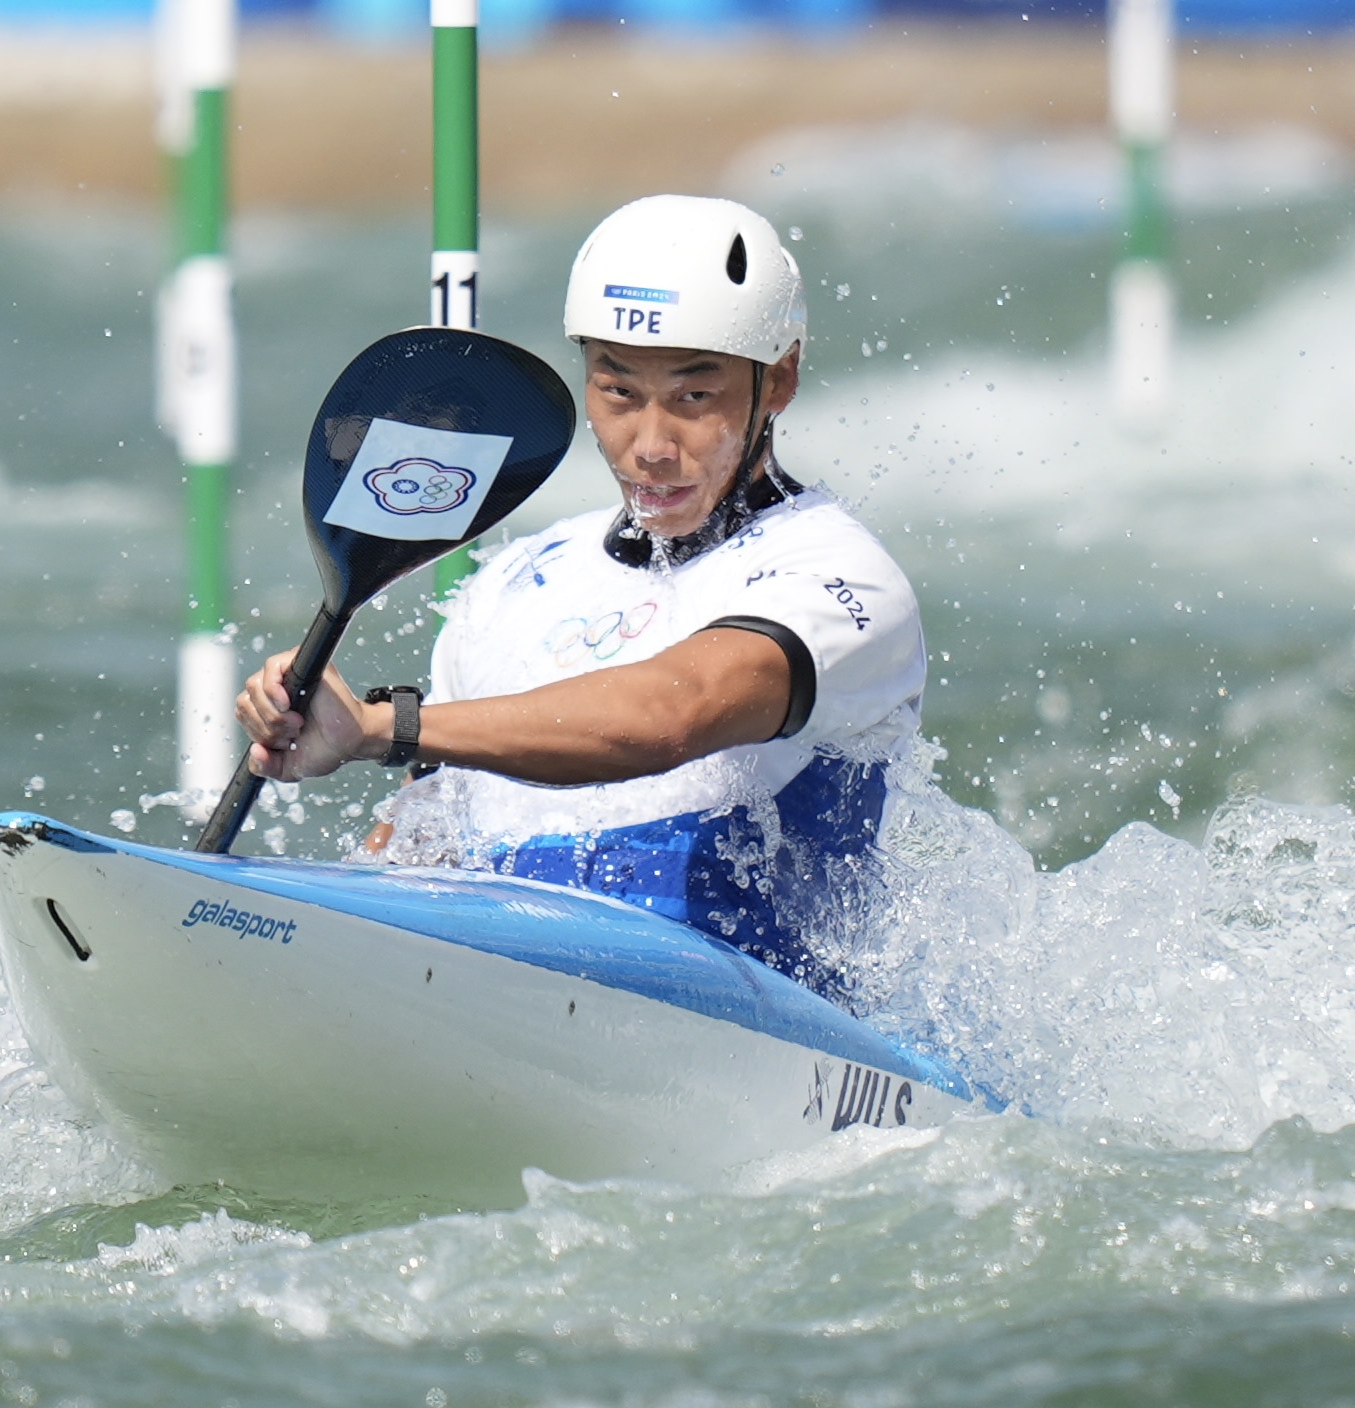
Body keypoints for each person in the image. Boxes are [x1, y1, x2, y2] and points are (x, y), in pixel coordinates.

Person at [235, 194, 927, 1006]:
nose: (651, 445)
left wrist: (385, 728)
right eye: (618, 392)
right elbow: (418, 852)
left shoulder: (839, 575)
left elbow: (672, 713)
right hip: (527, 1020)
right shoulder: (516, 580)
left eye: (694, 398)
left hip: (762, 1037)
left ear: (778, 380)